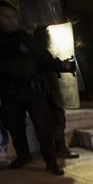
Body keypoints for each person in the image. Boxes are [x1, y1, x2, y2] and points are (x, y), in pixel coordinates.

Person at [0, 1, 73, 175]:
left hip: (34, 93)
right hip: (10, 94)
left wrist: (63, 66)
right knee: (14, 125)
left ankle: (51, 161)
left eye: (14, 17)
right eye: (6, 17)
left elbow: (46, 59)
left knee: (43, 126)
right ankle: (23, 155)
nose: (12, 21)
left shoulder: (26, 38)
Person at [33, 25, 79, 159]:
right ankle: (58, 148)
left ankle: (57, 148)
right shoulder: (40, 52)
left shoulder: (42, 52)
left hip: (47, 91)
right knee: (54, 120)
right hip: (45, 92)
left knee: (55, 119)